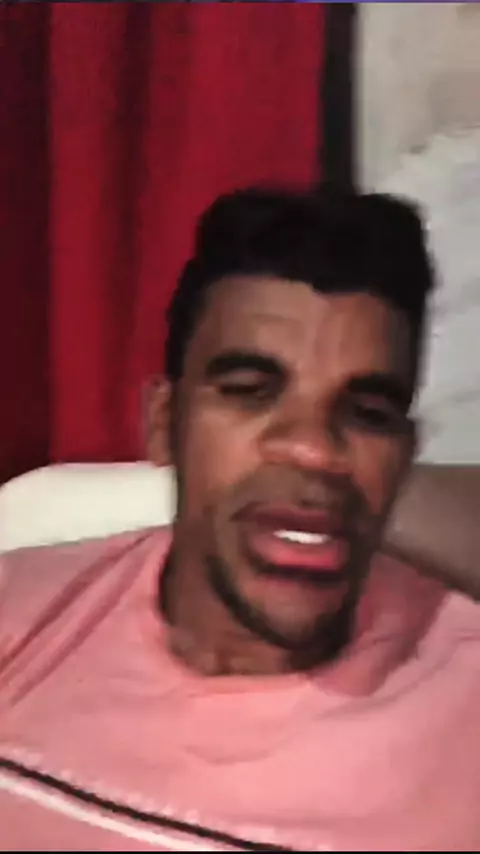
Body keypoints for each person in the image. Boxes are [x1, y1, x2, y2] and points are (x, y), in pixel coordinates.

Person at [0, 188, 479, 851]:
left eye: (368, 413)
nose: (314, 450)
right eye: (251, 392)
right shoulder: (23, 615)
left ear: (404, 455)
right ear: (164, 426)